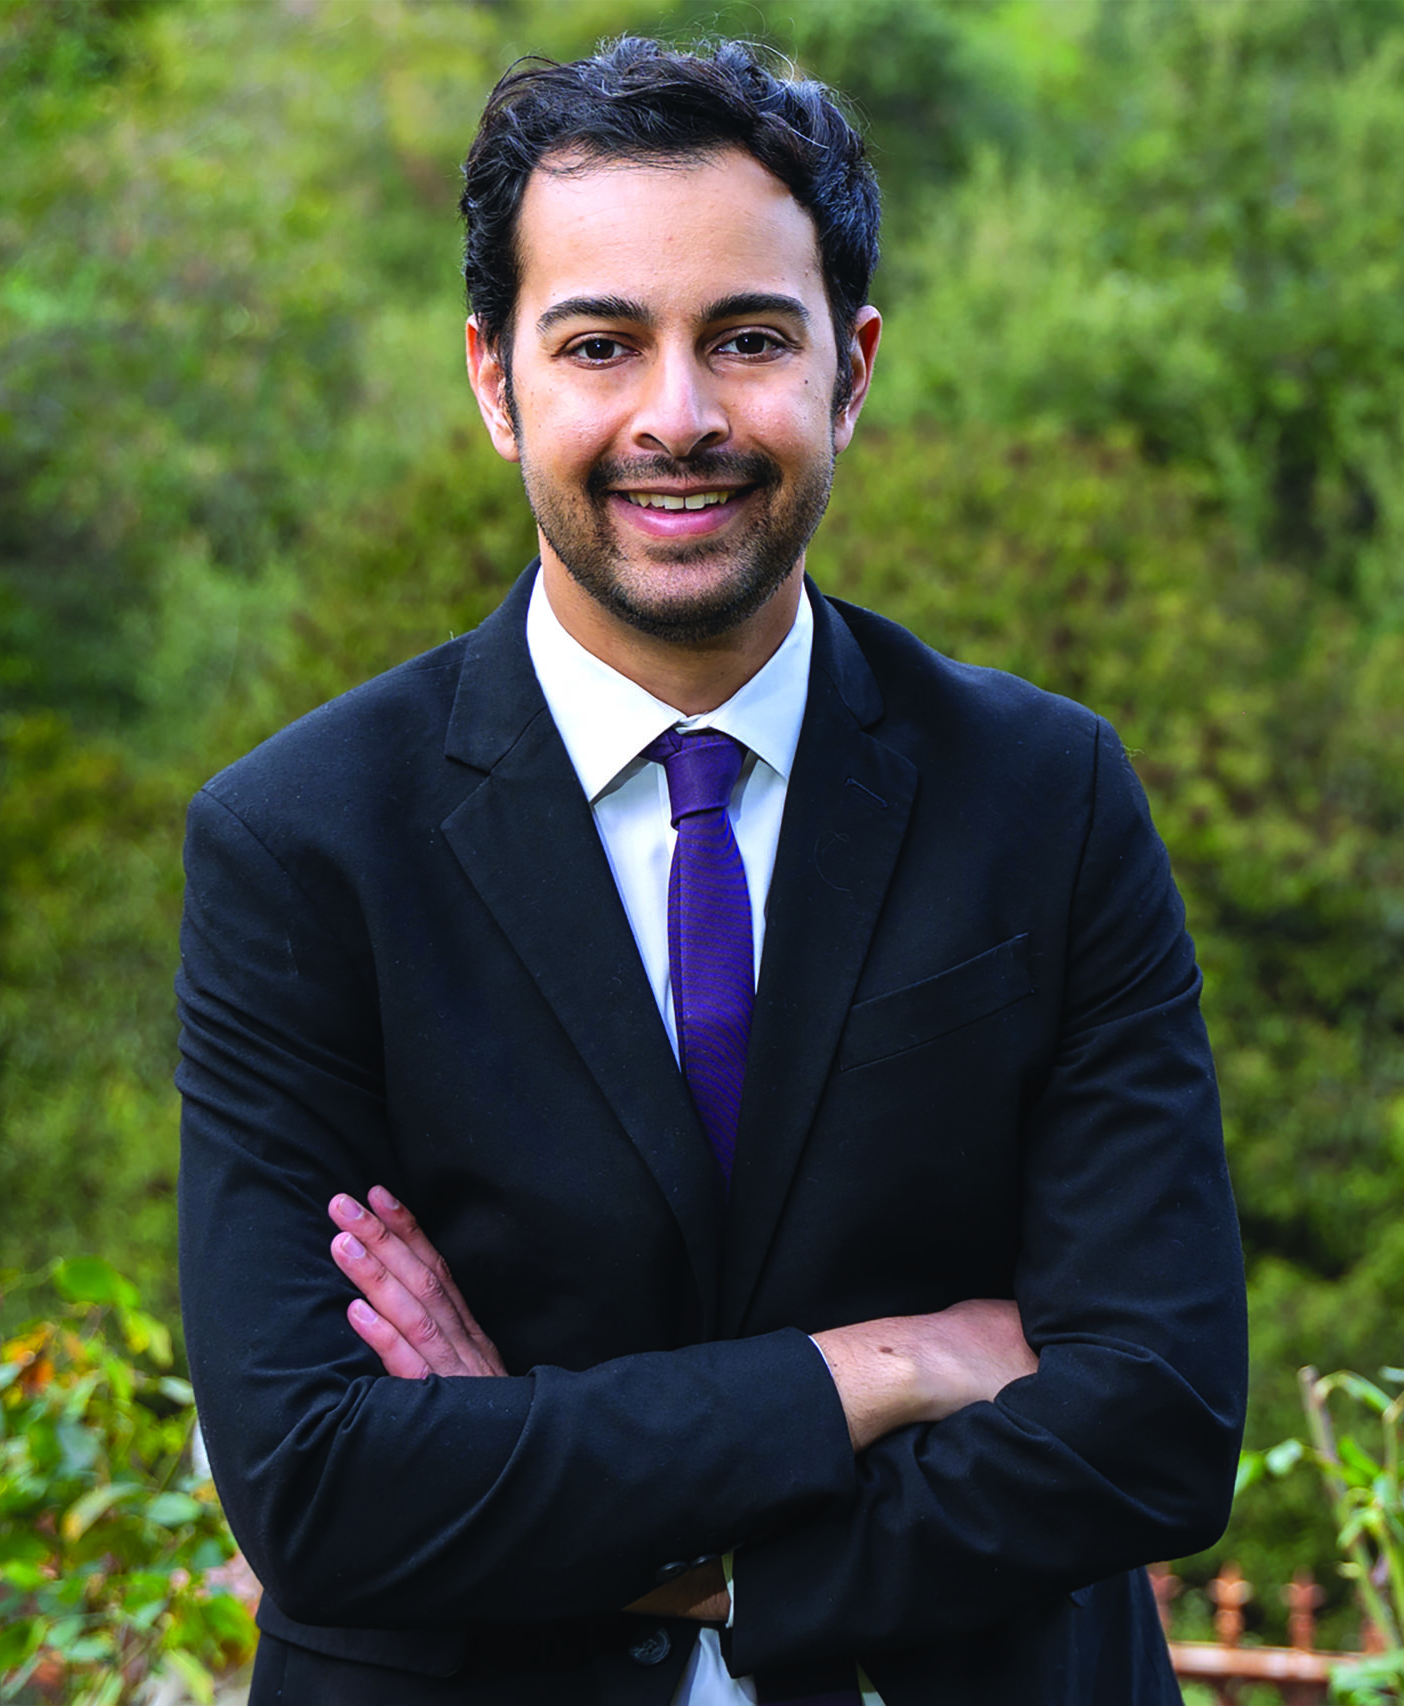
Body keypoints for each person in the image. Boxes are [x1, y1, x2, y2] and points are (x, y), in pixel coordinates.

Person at [173, 36, 1246, 1706]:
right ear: (494, 379)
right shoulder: (301, 844)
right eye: (601, 344)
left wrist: (616, 1519)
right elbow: (323, 1487)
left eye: (747, 338)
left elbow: (1156, 1421)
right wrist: (883, 1364)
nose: (676, 418)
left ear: (851, 369)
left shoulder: (1048, 796)